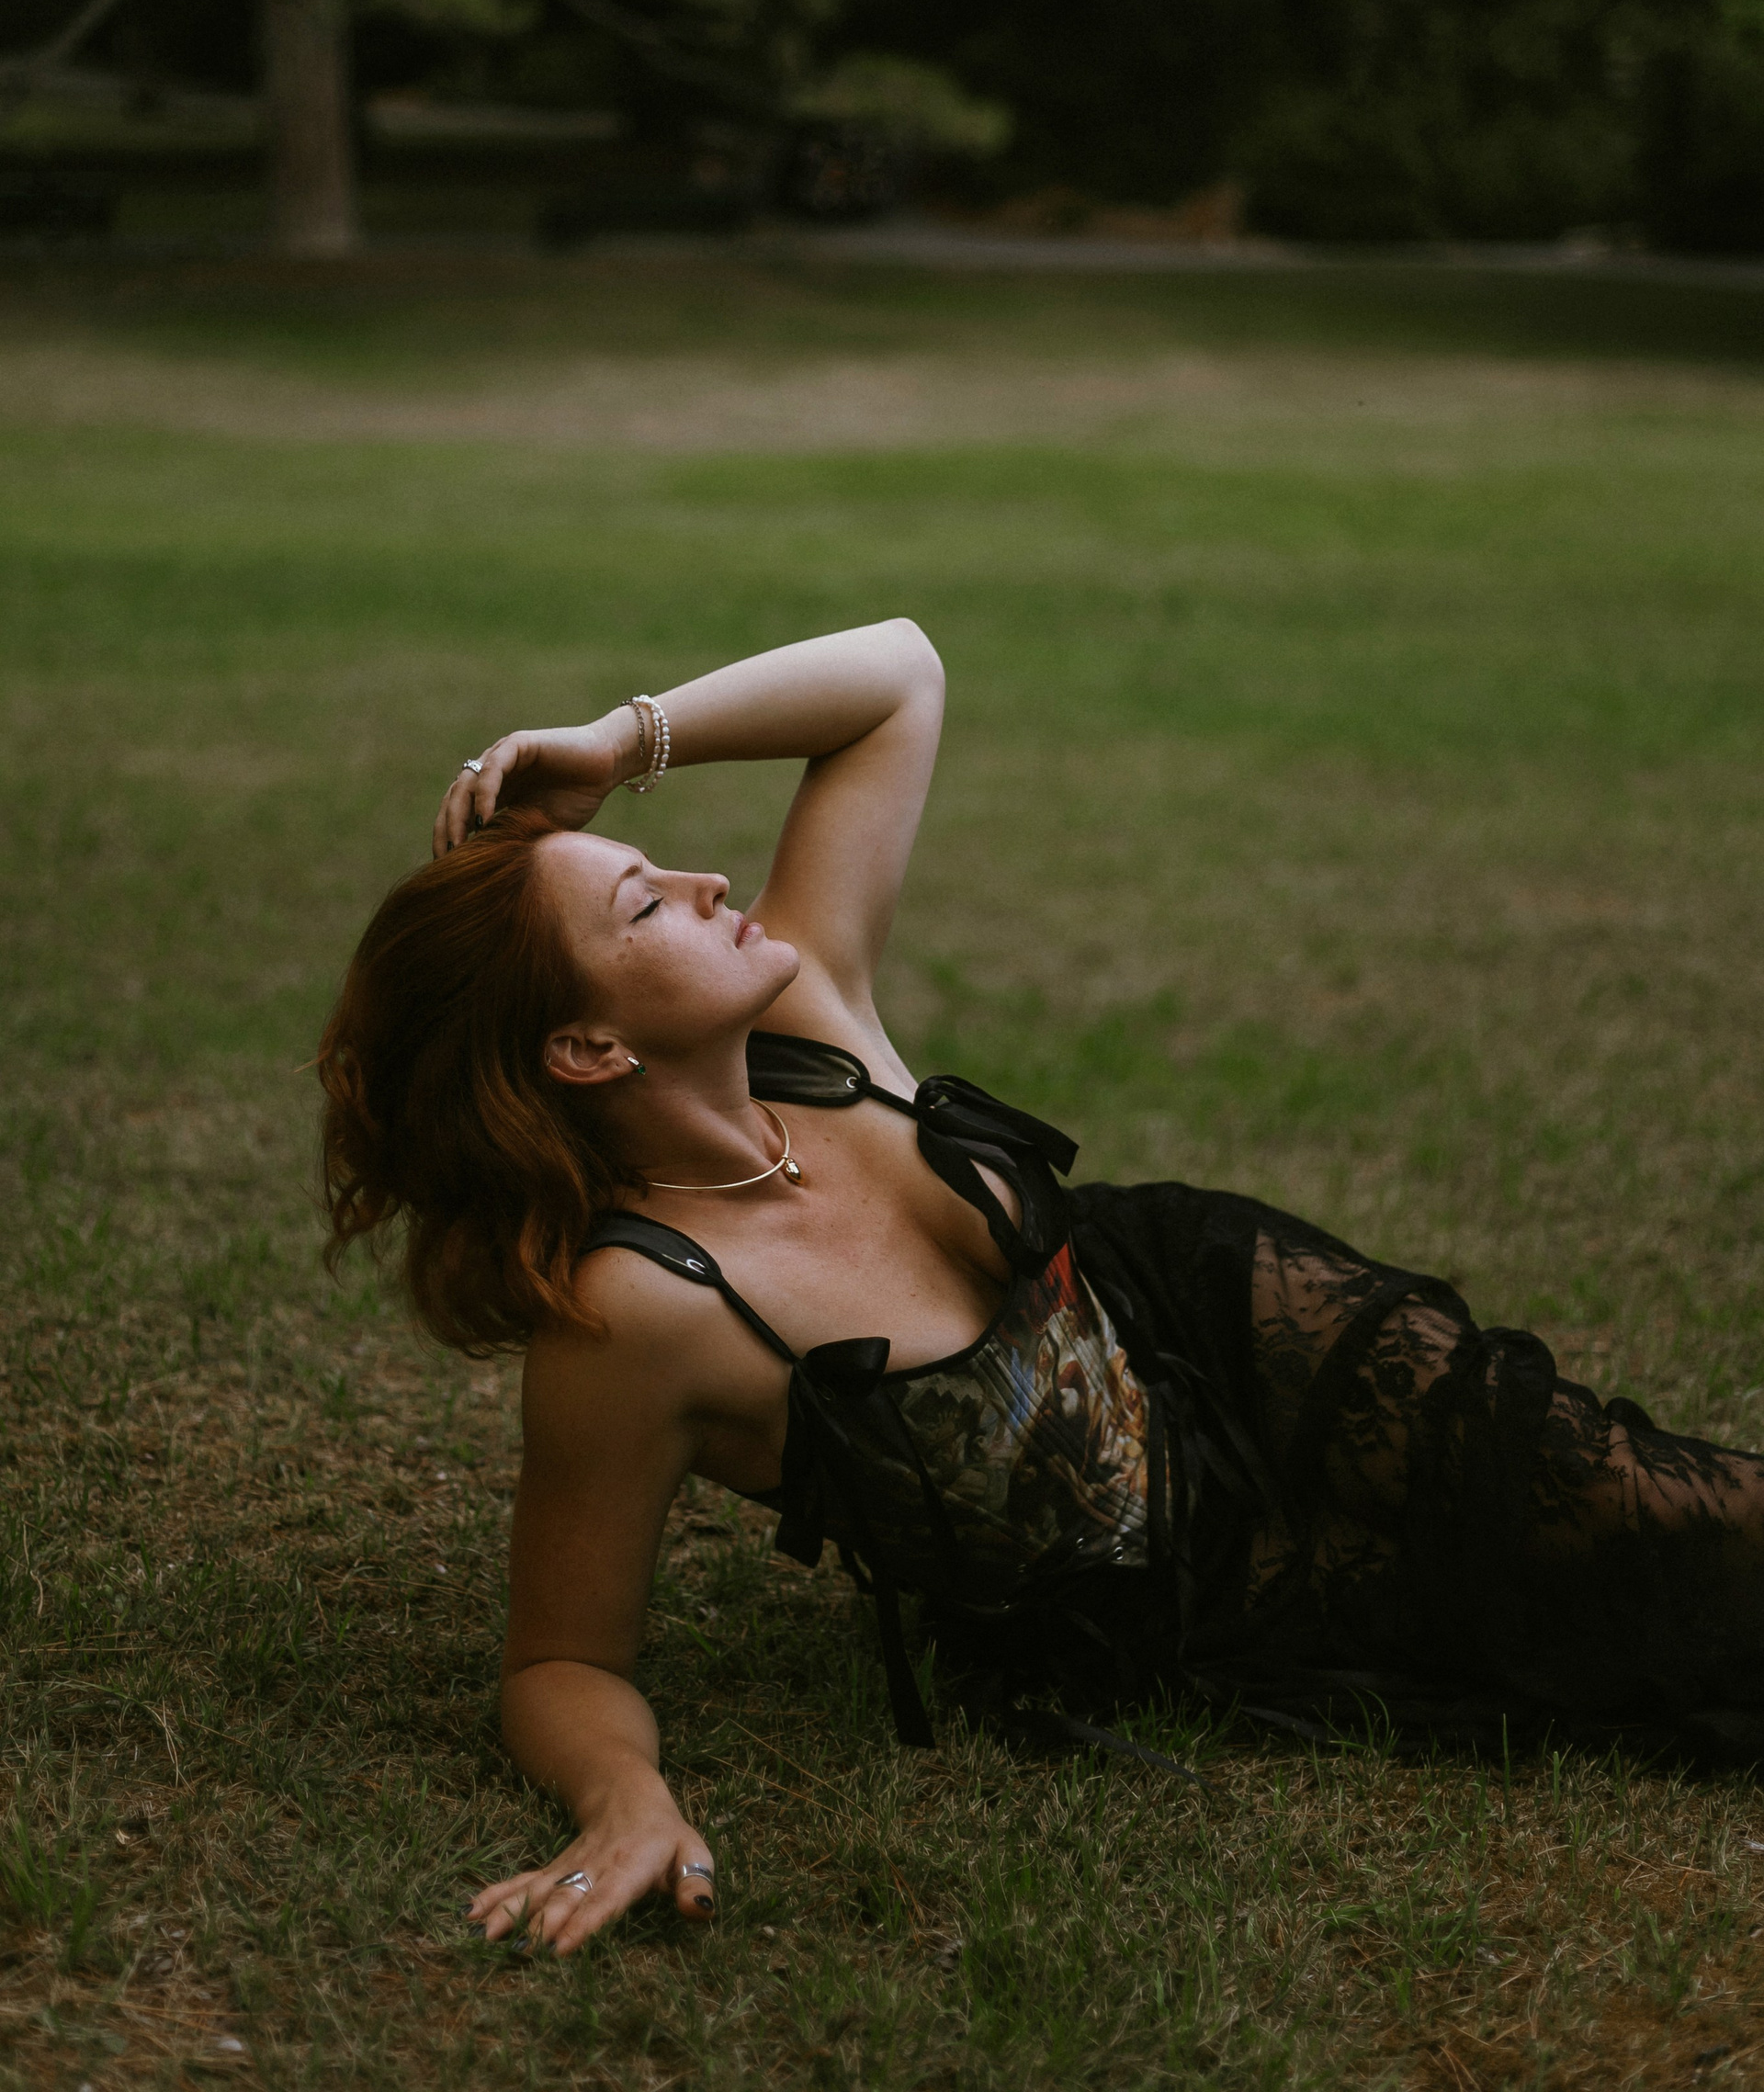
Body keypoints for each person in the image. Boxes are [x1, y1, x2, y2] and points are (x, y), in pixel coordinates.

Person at [317, 621, 1764, 1960]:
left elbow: (898, 674)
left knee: (1613, 1491)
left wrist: (616, 740)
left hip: (1224, 1319)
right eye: (647, 903)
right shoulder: (643, 1312)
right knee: (1575, 1639)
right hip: (1168, 1584)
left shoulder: (809, 1012)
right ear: (587, 1051)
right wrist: (625, 1797)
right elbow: (560, 1658)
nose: (707, 882)